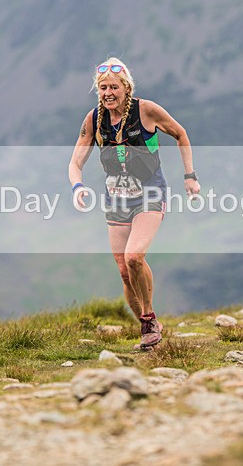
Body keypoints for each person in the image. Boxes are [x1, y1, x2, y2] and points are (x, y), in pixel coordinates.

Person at [68, 58, 200, 350]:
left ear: (126, 87)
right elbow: (76, 161)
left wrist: (189, 176)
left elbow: (181, 134)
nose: (108, 92)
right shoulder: (93, 119)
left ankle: (150, 320)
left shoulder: (146, 110)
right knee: (124, 270)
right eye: (103, 87)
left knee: (134, 257)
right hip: (116, 196)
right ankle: (146, 322)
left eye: (114, 86)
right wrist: (77, 186)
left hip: (150, 191)